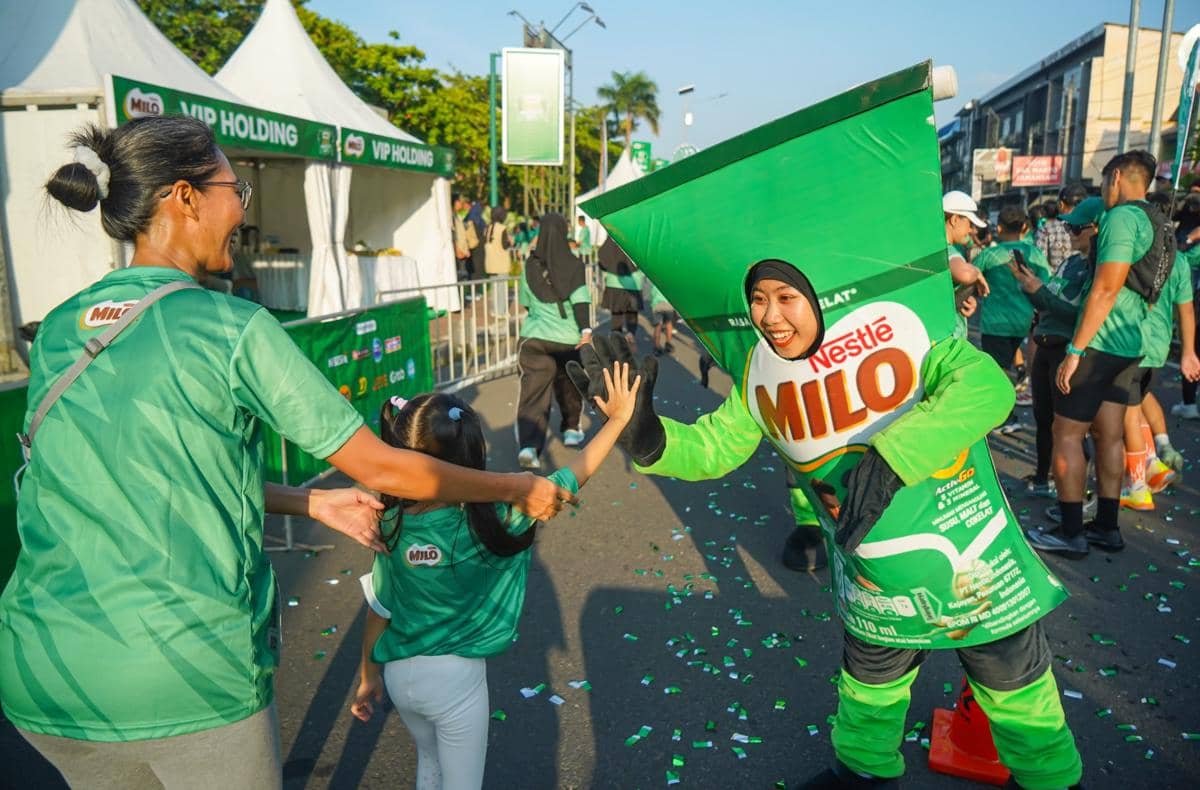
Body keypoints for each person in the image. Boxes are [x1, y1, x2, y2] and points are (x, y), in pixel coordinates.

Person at [0, 116, 573, 789]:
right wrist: (514, 489)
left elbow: (144, 471)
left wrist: (309, 500)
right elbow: (384, 467)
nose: (242, 206)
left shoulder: (65, 325)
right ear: (184, 197)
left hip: (45, 670)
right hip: (183, 674)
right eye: (233, 187)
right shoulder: (229, 327)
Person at [569, 263, 1081, 790]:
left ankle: (1052, 782)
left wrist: (894, 456)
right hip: (873, 576)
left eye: (786, 296)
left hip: (969, 560)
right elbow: (717, 445)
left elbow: (986, 388)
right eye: (759, 299)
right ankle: (863, 771)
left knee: (1018, 694)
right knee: (868, 688)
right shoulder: (760, 369)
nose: (770, 316)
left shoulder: (908, 328)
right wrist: (649, 437)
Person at [351, 368, 639, 790]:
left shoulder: (390, 520)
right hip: (454, 682)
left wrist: (367, 676)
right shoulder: (495, 518)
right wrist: (616, 421)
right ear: (470, 458)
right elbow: (573, 475)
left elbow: (380, 608)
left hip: (398, 675)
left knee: (428, 764)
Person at [1028, 150, 1173, 558]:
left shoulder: (1123, 218)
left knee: (1067, 433)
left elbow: (1105, 287)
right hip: (1129, 344)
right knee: (1109, 434)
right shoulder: (1159, 221)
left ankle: (1071, 531)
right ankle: (1106, 526)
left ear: (1116, 178)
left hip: (1099, 343)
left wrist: (1075, 350)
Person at [1008, 197, 1104, 500]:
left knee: (1070, 429)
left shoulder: (1099, 270)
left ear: (1097, 229)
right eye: (1067, 225)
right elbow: (1050, 301)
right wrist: (1032, 286)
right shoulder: (1070, 261)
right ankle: (1042, 477)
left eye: (1076, 227)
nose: (1070, 232)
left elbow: (1081, 316)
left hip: (1069, 352)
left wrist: (1041, 293)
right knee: (1043, 418)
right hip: (1046, 348)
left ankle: (1078, 495)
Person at [1118, 229, 1199, 513]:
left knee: (1127, 412)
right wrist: (1188, 351)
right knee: (1138, 401)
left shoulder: (1132, 250)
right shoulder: (1179, 260)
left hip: (1128, 342)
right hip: (1158, 346)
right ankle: (1153, 462)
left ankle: (1138, 484)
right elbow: (1186, 310)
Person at [516, 212, 593, 469]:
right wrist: (586, 332)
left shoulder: (529, 266)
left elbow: (525, 303)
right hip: (568, 339)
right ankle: (571, 430)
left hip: (534, 338)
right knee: (569, 383)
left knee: (533, 392)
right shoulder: (574, 266)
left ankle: (529, 448)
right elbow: (581, 302)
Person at [974, 205, 1051, 379]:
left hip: (995, 325)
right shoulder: (1034, 253)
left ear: (999, 228)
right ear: (1024, 227)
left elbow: (970, 277)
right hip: (1025, 323)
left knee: (997, 375)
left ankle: (1005, 405)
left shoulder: (990, 255)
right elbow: (1047, 283)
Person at [597, 238, 645, 345]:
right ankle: (630, 335)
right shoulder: (635, 238)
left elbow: (602, 258)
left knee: (616, 313)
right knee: (632, 313)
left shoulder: (613, 237)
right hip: (633, 284)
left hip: (614, 283)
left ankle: (616, 340)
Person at [1038, 183, 1089, 273]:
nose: (1070, 233)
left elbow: (1040, 261)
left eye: (1074, 229)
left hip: (1057, 282)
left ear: (1061, 204)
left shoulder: (1046, 228)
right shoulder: (1091, 223)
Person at [483, 205, 514, 315]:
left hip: (491, 262)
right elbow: (504, 246)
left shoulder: (488, 227)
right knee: (502, 288)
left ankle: (494, 310)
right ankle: (501, 312)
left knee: (494, 288)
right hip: (501, 262)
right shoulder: (502, 228)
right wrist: (511, 241)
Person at [647, 280, 677, 355]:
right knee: (668, 323)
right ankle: (668, 344)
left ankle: (657, 347)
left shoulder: (655, 281)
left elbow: (652, 294)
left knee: (658, 326)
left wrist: (652, 305)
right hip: (668, 305)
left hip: (657, 305)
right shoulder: (669, 280)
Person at [452, 193, 472, 280]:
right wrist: (458, 250)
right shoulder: (451, 217)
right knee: (460, 277)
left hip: (463, 252)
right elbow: (453, 235)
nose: (461, 203)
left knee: (463, 277)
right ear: (455, 202)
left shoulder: (457, 216)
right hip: (458, 253)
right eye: (460, 201)